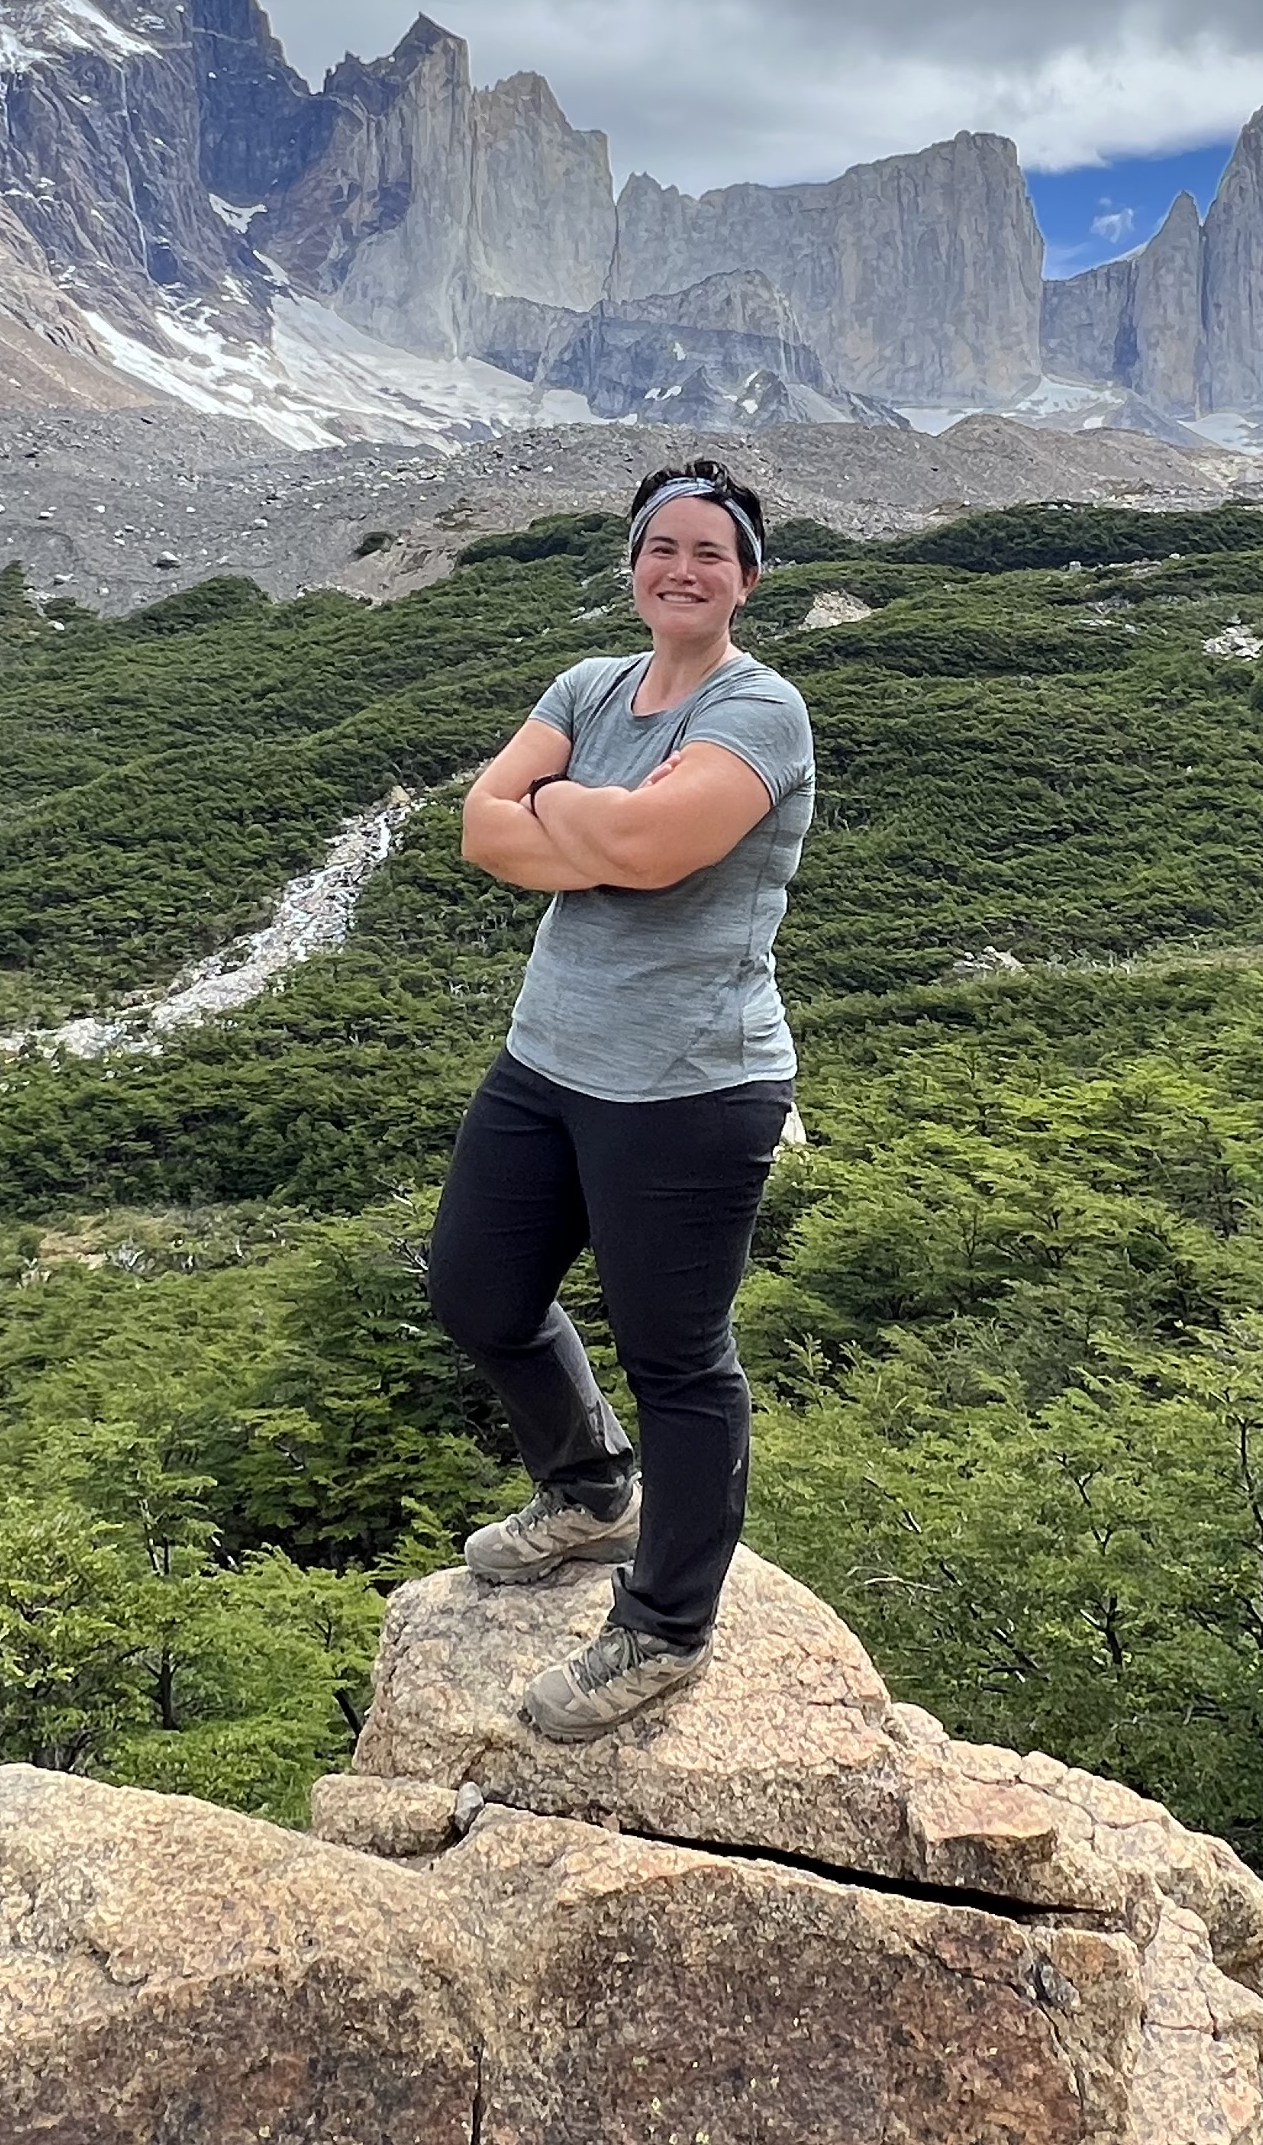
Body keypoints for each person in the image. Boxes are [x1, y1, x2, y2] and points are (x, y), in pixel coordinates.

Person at [430, 458, 817, 1739]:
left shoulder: (762, 712)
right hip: (548, 1059)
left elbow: (655, 853)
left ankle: (663, 1627)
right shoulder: (587, 688)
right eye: (664, 547)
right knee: (477, 1290)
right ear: (634, 564)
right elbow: (483, 834)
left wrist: (559, 810)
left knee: (680, 1361)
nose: (683, 568)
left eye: (711, 552)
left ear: (746, 580)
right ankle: (592, 1490)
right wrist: (590, 819)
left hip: (692, 1087)